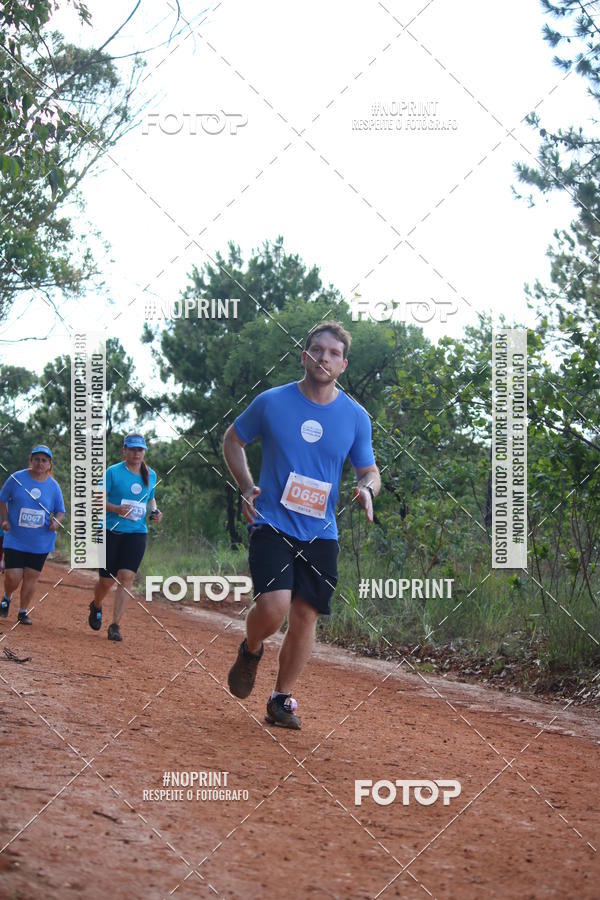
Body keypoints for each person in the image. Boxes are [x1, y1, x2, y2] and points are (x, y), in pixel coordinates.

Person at [223, 321, 380, 729]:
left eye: (333, 353)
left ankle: (281, 699)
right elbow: (232, 440)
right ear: (304, 355)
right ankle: (251, 647)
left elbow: (369, 471)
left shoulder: (355, 417)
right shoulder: (272, 402)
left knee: (306, 614)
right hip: (271, 521)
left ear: (343, 364)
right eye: (317, 349)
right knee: (274, 607)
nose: (324, 357)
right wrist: (247, 486)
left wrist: (367, 489)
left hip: (321, 532)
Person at [88, 433, 162, 641]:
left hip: (137, 533)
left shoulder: (150, 474)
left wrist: (155, 512)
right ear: (124, 451)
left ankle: (115, 625)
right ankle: (96, 605)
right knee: (106, 580)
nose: (136, 453)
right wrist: (115, 509)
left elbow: (151, 499)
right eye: (132, 449)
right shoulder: (112, 472)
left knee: (127, 576)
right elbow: (97, 500)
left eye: (140, 449)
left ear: (144, 452)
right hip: (109, 530)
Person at [0, 445, 66, 625]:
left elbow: (60, 511)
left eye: (44, 460)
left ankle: (23, 611)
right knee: (13, 576)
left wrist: (56, 522)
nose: (40, 463)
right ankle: (7, 596)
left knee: (31, 576)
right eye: (36, 459)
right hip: (15, 537)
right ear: (31, 460)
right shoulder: (16, 478)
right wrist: (4, 519)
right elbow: (2, 499)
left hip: (40, 541)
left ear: (49, 464)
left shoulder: (53, 486)